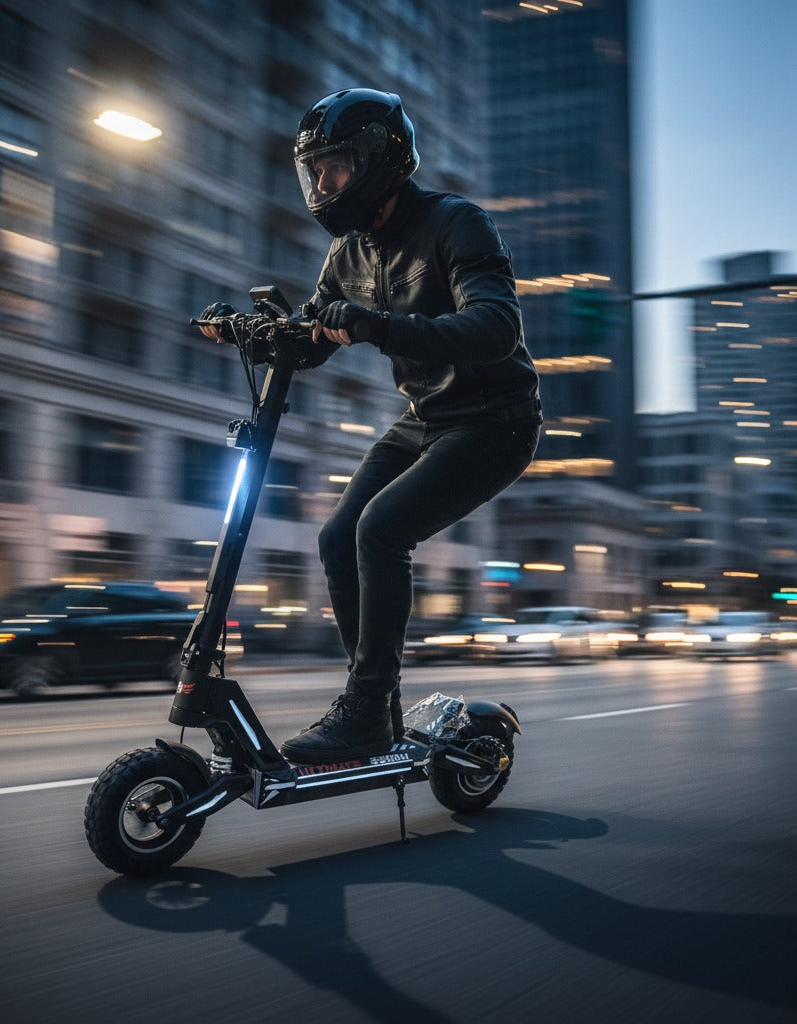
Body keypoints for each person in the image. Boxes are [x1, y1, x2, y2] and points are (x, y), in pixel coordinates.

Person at [199, 88, 541, 764]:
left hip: (494, 422)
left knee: (380, 530)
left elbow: (497, 326)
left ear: (381, 159)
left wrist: (378, 326)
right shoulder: (347, 254)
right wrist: (247, 330)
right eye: (315, 170)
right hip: (425, 418)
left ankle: (362, 711)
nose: (323, 183)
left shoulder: (455, 222)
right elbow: (311, 337)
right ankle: (377, 710)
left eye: (335, 166)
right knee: (337, 537)